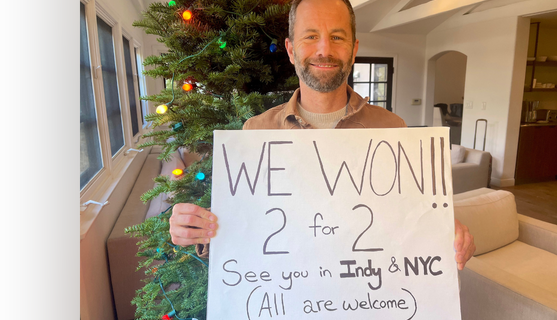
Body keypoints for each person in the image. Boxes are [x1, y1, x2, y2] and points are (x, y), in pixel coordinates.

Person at [169, 0, 476, 270]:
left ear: (354, 50)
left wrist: (449, 235)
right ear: (291, 50)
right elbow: (247, 229)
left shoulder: (394, 130)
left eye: (337, 37)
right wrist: (200, 229)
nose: (324, 50)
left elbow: (412, 222)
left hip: (368, 300)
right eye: (311, 36)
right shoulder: (256, 131)